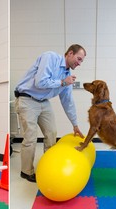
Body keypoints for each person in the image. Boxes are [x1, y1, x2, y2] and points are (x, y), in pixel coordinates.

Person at [14, 44, 86, 182]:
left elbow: (68, 101)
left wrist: (75, 124)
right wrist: (62, 82)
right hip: (27, 98)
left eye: (81, 61)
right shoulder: (50, 57)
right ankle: (26, 171)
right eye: (79, 58)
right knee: (30, 137)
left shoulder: (67, 75)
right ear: (70, 53)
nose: (79, 63)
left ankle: (49, 167)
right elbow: (40, 82)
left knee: (51, 133)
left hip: (43, 101)